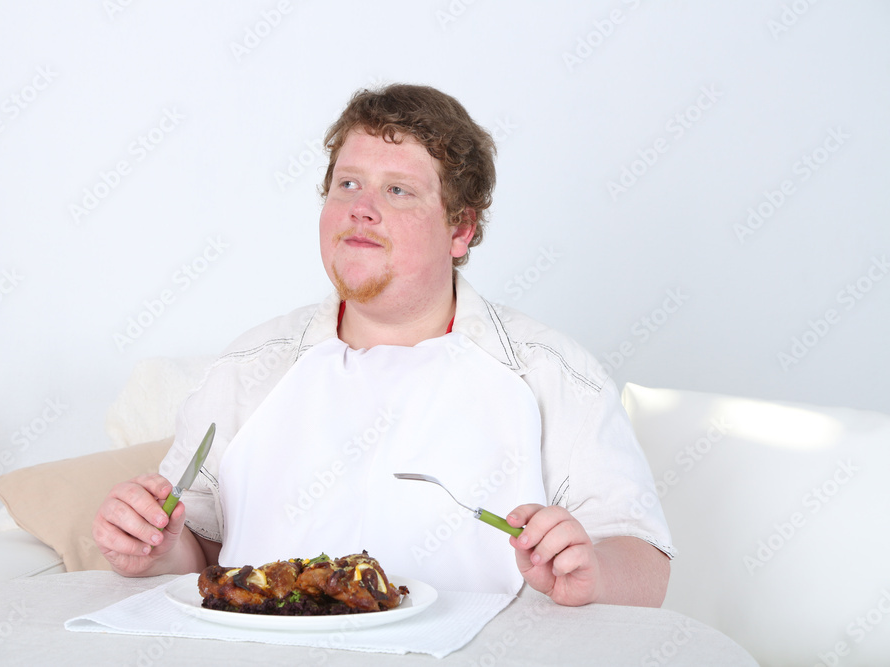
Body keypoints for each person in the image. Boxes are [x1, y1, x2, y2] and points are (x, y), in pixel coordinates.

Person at [93, 83, 674, 607]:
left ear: (461, 228)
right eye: (347, 184)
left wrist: (592, 568)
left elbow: (643, 560)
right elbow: (194, 549)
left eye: (398, 191)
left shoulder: (551, 374)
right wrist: (152, 545)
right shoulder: (250, 367)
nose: (360, 209)